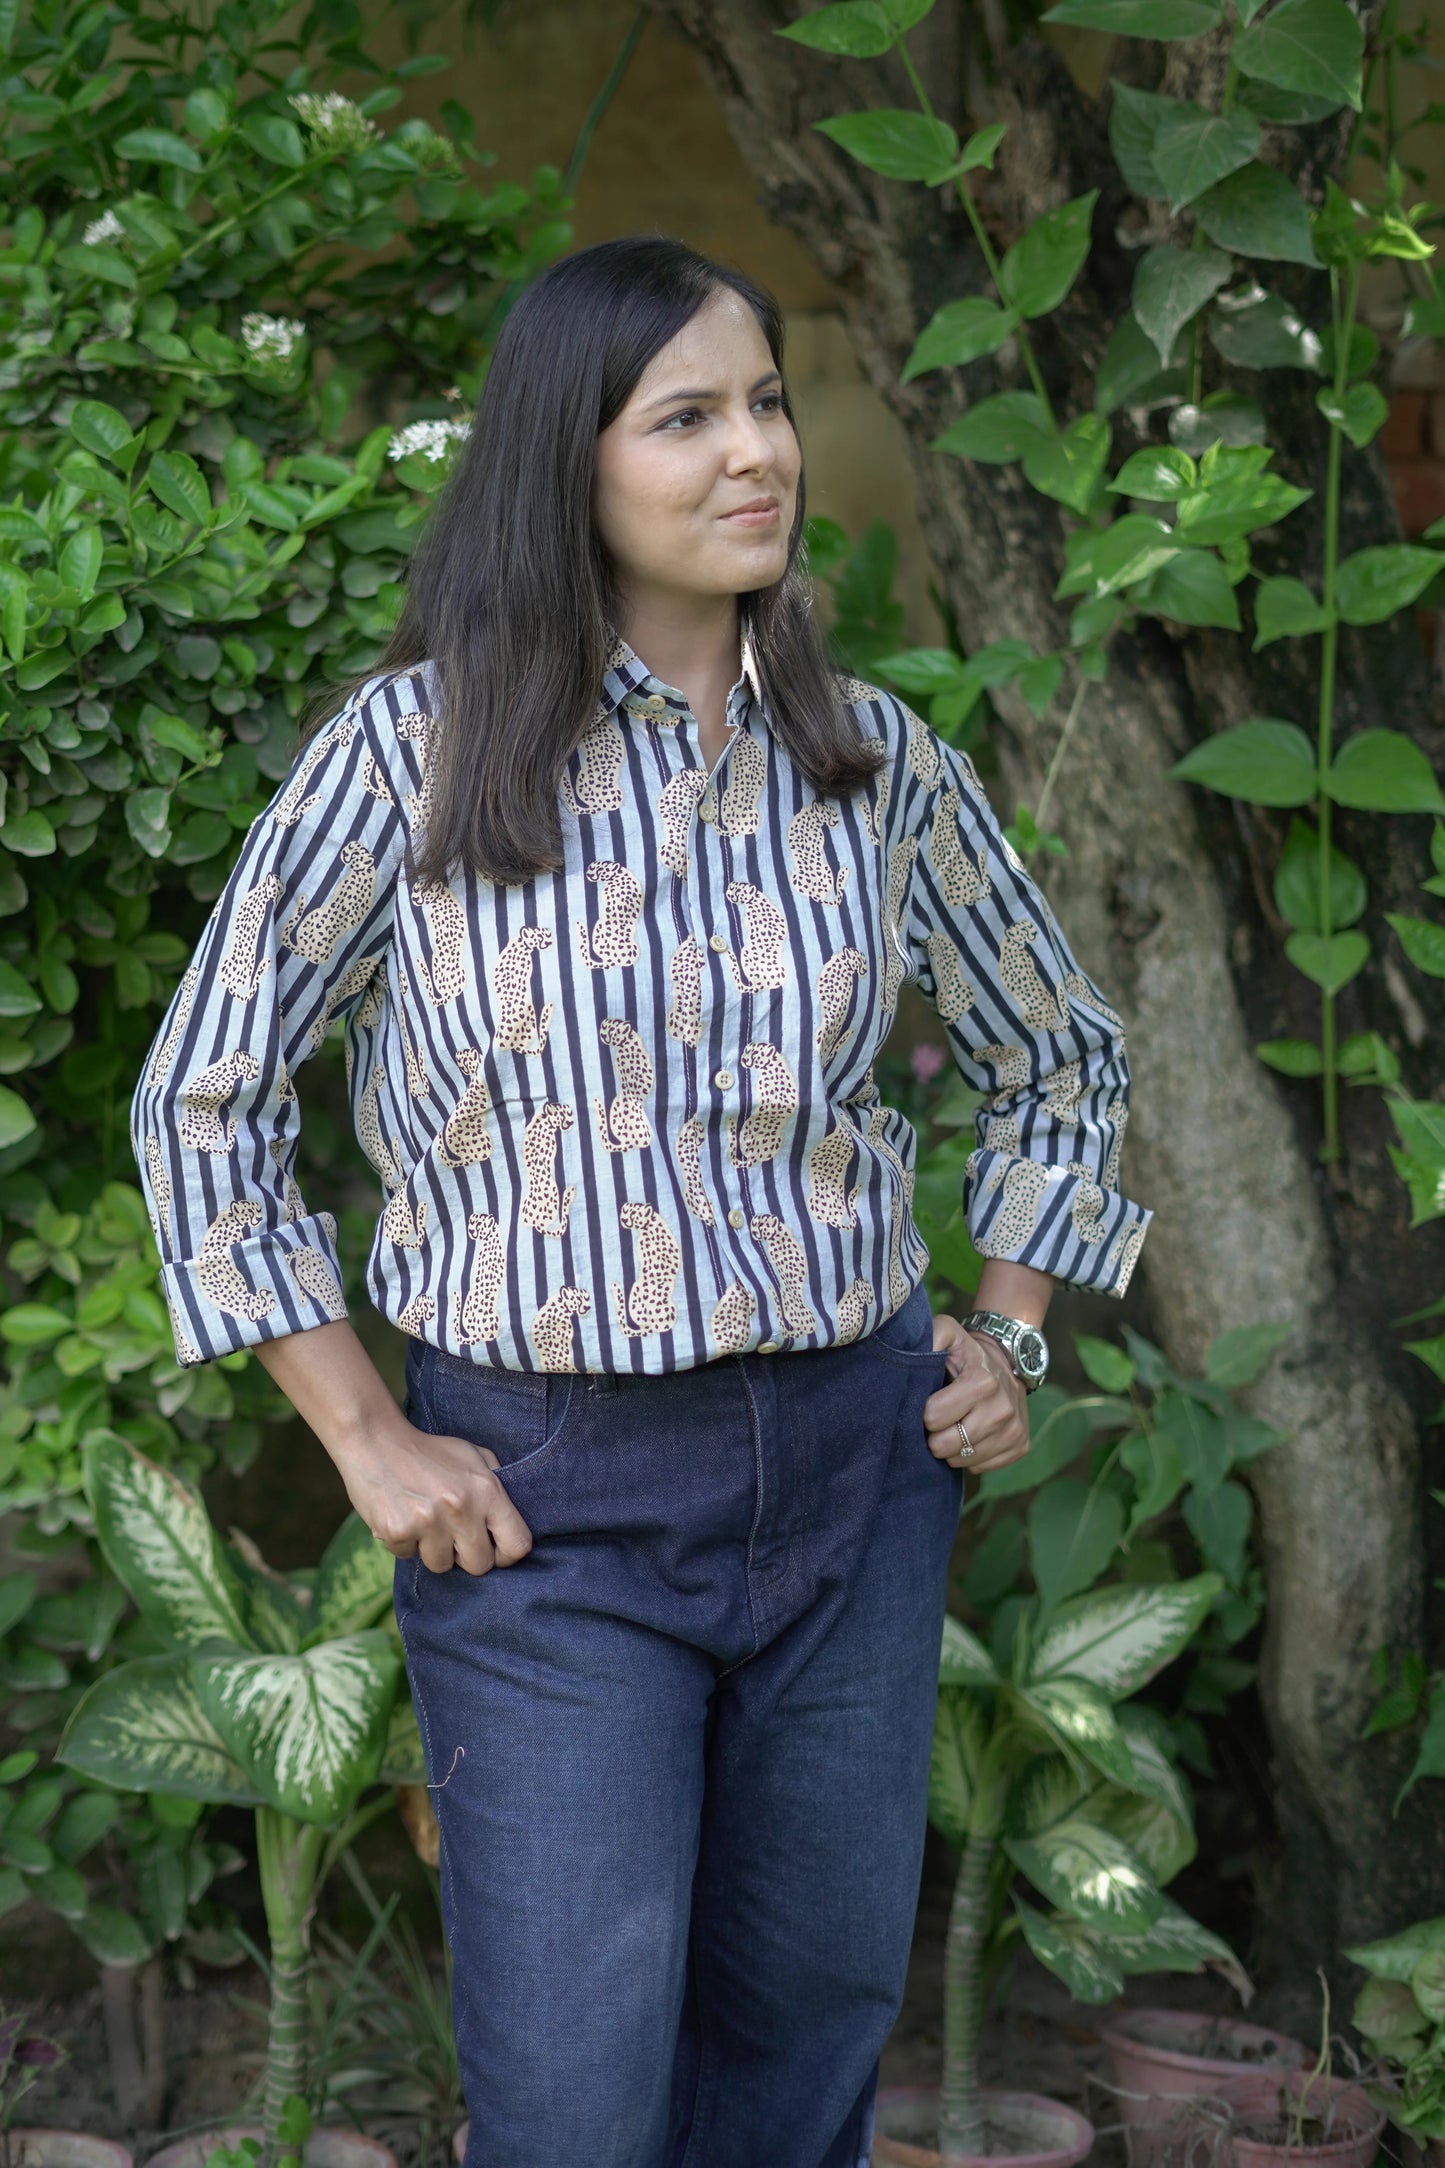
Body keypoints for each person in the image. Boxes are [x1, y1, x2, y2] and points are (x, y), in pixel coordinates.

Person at [131, 234, 1152, 2168]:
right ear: (567, 460)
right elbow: (204, 1097)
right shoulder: (413, 756)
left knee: (803, 2041)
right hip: (544, 1508)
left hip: (853, 1476)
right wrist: (363, 1437)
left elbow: (1064, 1053)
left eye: (764, 401)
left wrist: (1011, 1333)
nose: (754, 450)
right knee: (576, 2089)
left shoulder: (873, 767)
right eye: (684, 417)